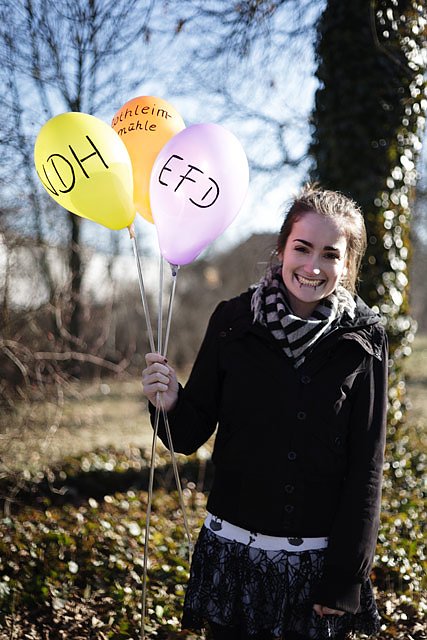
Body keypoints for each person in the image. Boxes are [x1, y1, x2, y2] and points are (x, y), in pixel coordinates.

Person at [142, 185, 388, 640]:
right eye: (302, 248)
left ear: (347, 264)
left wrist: (345, 577)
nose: (313, 267)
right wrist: (170, 402)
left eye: (330, 255)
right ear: (281, 249)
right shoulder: (232, 321)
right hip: (233, 559)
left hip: (316, 566)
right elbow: (189, 434)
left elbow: (367, 468)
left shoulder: (364, 337)